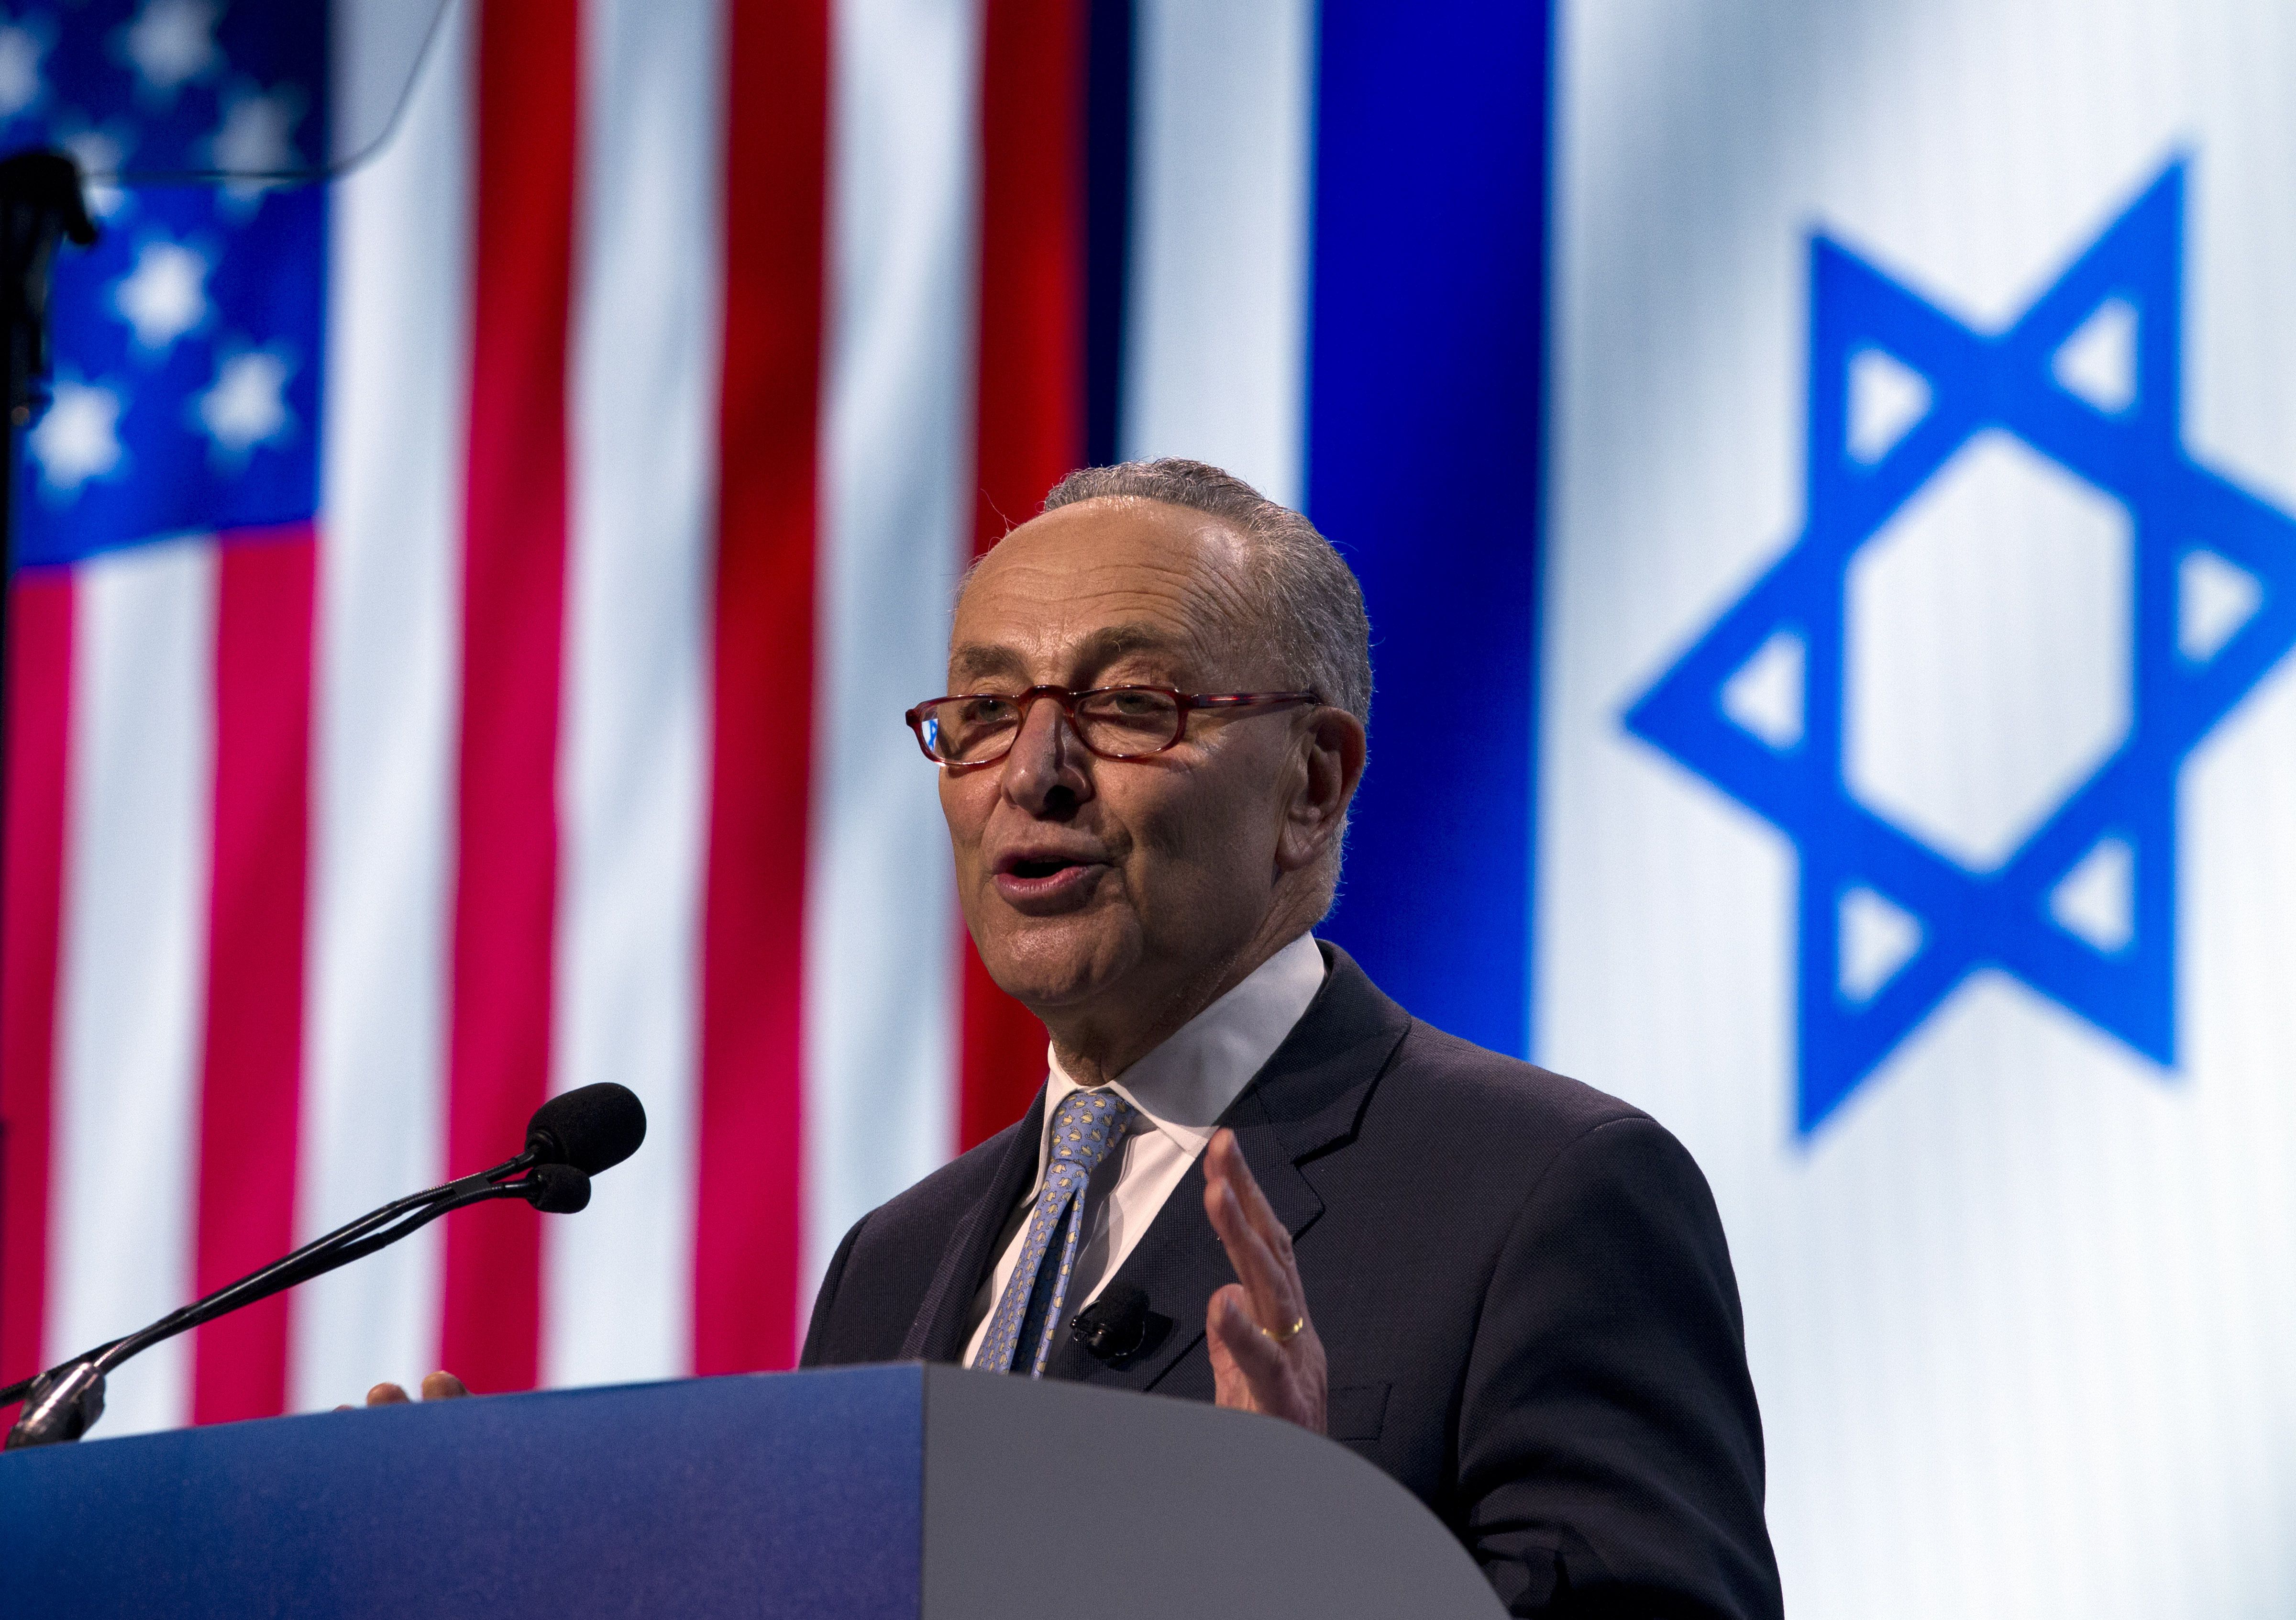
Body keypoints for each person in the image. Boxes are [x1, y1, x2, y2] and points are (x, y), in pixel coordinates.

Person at [374, 460, 1784, 1620]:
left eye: (1128, 705)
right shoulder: (896, 1258)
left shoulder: (1549, 1192)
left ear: (1313, 779)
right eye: (984, 713)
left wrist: (1326, 1577)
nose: (1033, 774)